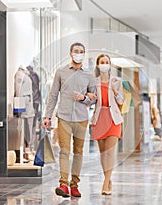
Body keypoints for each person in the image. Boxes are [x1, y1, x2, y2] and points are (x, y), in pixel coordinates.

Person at [43, 42, 96, 198]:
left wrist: (84, 98)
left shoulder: (89, 75)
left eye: (82, 52)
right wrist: (47, 116)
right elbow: (53, 95)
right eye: (76, 51)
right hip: (64, 117)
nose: (79, 54)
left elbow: (94, 98)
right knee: (64, 151)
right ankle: (63, 184)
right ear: (71, 54)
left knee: (78, 152)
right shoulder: (61, 72)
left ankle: (74, 185)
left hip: (81, 119)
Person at [87, 54, 124, 195]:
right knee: (103, 154)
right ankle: (108, 180)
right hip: (99, 119)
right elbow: (90, 102)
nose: (104, 64)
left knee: (109, 153)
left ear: (110, 64)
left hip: (113, 118)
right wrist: (88, 97)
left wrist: (115, 92)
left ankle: (105, 182)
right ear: (98, 65)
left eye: (107, 62)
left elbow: (121, 101)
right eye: (102, 62)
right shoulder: (93, 82)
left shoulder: (116, 81)